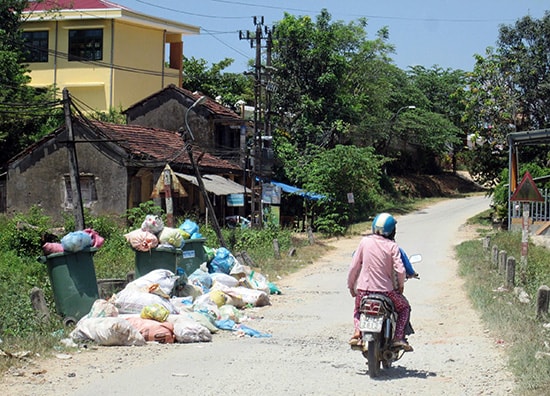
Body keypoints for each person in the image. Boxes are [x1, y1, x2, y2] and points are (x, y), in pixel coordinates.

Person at [347, 213, 413, 351]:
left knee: (358, 310)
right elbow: (400, 270)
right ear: (392, 231)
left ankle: (357, 332)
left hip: (363, 290)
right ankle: (398, 338)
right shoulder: (392, 246)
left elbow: (354, 267)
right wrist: (401, 286)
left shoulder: (364, 242)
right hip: (386, 292)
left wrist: (351, 286)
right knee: (404, 308)